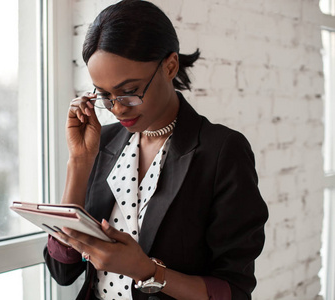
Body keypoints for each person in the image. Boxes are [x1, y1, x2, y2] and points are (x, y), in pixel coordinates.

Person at [43, 0, 268, 299]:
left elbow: (234, 290)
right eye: (105, 95)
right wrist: (79, 162)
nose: (118, 108)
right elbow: (62, 270)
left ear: (170, 66)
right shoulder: (102, 143)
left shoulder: (222, 151)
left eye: (130, 91)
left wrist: (146, 270)